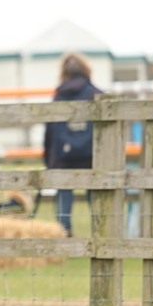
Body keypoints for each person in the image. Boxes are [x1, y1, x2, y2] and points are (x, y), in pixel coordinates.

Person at [43, 53, 101, 236]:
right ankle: (101, 231)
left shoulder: (59, 96)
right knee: (96, 194)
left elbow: (50, 130)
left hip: (63, 157)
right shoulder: (95, 93)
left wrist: (48, 159)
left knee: (64, 196)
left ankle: (64, 234)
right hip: (92, 155)